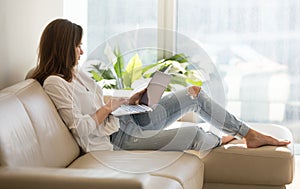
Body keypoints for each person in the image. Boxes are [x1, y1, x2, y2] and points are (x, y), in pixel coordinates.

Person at [31, 18, 290, 153]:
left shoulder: (77, 74)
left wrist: (129, 102)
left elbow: (99, 105)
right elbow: (81, 129)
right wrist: (107, 109)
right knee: (195, 135)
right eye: (77, 45)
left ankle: (248, 134)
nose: (81, 51)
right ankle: (220, 139)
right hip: (118, 140)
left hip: (125, 120)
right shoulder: (54, 83)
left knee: (193, 93)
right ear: (63, 47)